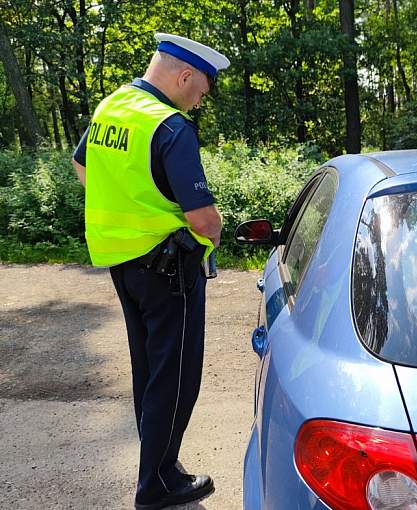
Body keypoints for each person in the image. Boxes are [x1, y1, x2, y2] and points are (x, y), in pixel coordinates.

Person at [71, 33, 229, 510]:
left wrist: (131, 206)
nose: (198, 101)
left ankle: (160, 465)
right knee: (176, 377)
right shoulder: (170, 126)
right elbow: (204, 219)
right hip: (169, 270)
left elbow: (81, 165)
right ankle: (157, 484)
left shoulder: (112, 107)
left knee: (149, 371)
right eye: (200, 91)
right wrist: (214, 232)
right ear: (185, 76)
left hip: (123, 263)